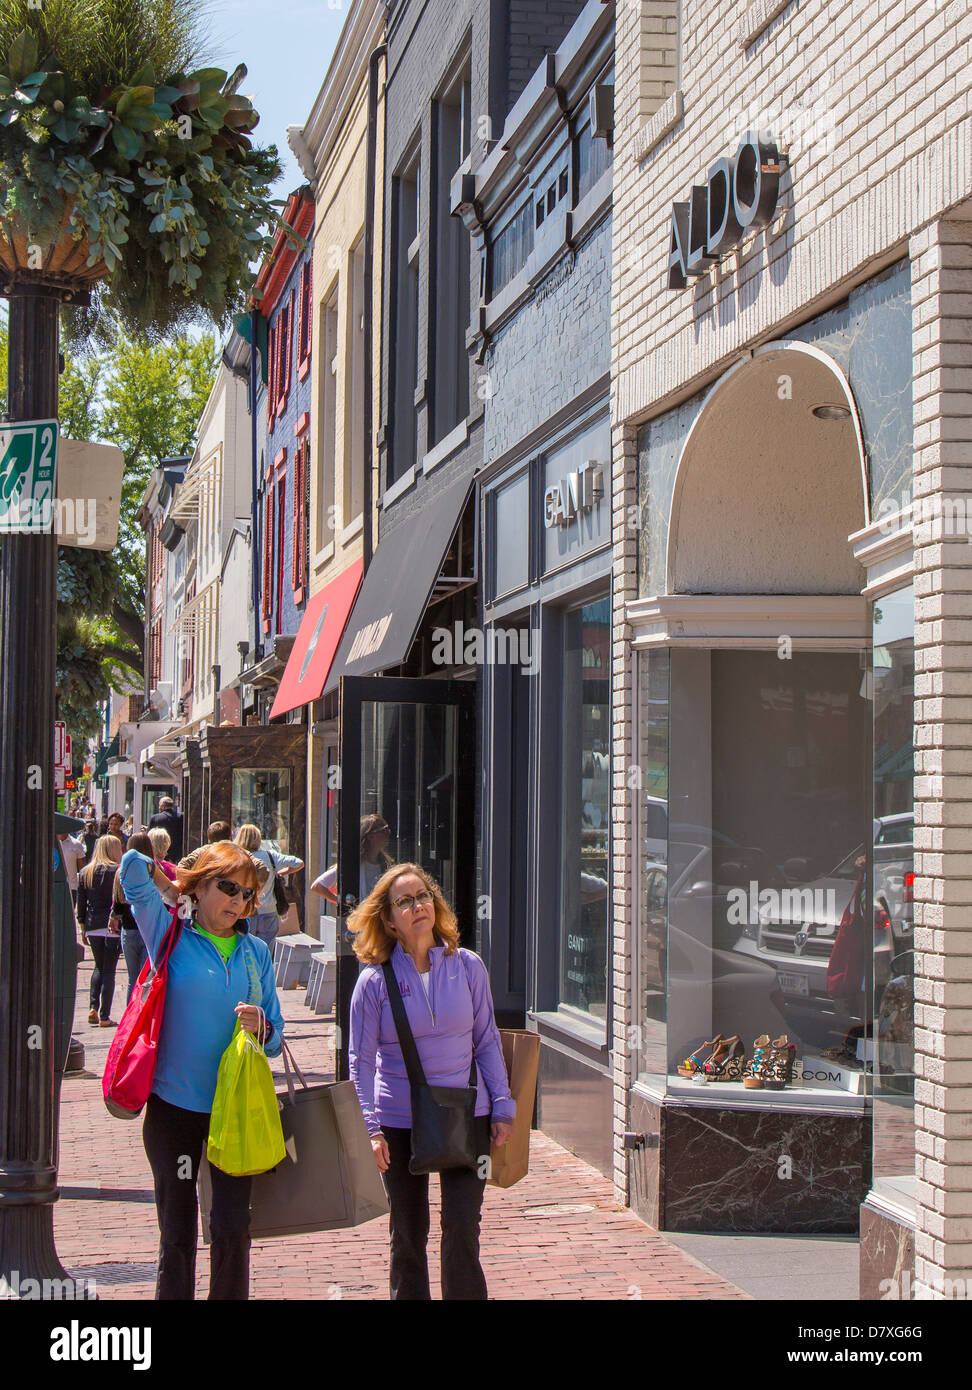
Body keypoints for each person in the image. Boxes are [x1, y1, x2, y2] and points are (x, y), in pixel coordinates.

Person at [118, 839, 285, 1301]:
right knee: (178, 1230)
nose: (238, 900)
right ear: (200, 887)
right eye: (227, 887)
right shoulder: (168, 934)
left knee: (232, 1227)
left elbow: (275, 1040)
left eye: (247, 893)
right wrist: (174, 885)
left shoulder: (256, 953)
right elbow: (131, 865)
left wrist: (263, 1025)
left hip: (235, 1110)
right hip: (175, 1109)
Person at [348, 862, 515, 1301]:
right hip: (399, 1122)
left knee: (463, 1226)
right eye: (404, 901)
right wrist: (369, 1128)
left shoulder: (468, 966)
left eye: (423, 896)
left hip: (466, 1115)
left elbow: (487, 1041)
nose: (418, 906)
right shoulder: (372, 982)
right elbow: (360, 1062)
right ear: (387, 919)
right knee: (408, 1232)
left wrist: (503, 1104)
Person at [232, 824, 303, 955]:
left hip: (245, 911)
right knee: (265, 954)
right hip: (269, 911)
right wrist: (282, 872)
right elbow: (298, 863)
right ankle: (263, 974)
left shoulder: (238, 857)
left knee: (244, 952)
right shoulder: (270, 856)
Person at [76, 834, 124, 1026]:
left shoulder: (87, 871)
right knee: (109, 971)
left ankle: (93, 1006)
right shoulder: (117, 871)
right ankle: (104, 1016)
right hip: (112, 925)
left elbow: (81, 902)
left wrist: (82, 926)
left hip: (93, 923)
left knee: (98, 966)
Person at [312, 814, 393, 907]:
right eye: (384, 830)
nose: (388, 833)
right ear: (370, 836)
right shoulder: (352, 864)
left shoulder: (386, 864)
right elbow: (317, 886)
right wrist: (341, 902)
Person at [148, 795, 184, 860]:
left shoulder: (155, 818)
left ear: (162, 806)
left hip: (160, 854)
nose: (159, 807)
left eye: (159, 805)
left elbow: (149, 838)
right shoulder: (181, 817)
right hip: (177, 855)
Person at [57, 829, 86, 907]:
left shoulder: (76, 844)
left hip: (71, 887)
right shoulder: (50, 843)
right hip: (53, 886)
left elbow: (82, 869)